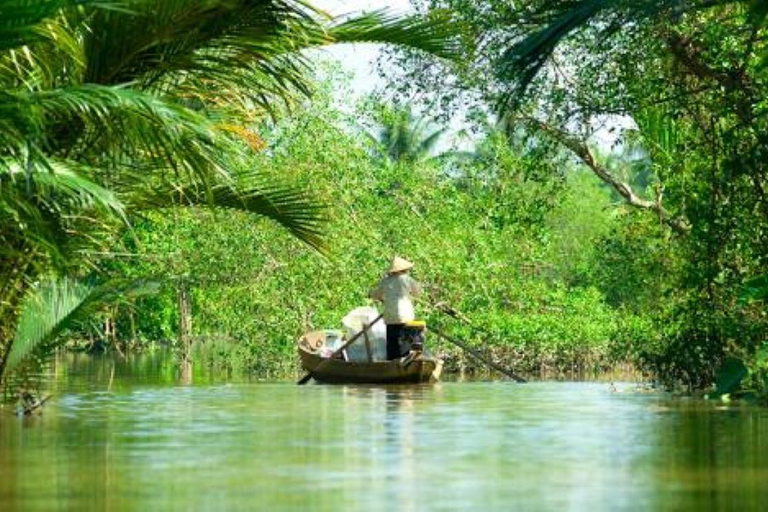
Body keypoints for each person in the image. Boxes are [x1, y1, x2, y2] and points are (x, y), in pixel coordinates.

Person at [370, 256, 422, 360]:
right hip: (406, 317)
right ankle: (405, 361)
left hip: (390, 318)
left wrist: (373, 294)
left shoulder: (385, 281)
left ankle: (392, 362)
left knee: (392, 344)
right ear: (404, 270)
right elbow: (417, 293)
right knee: (406, 343)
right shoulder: (408, 280)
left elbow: (376, 295)